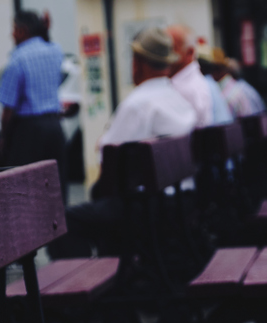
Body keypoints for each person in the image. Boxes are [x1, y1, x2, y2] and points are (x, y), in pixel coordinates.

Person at [50, 27, 196, 259]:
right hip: (181, 201)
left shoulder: (138, 103)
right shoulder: (177, 97)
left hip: (147, 208)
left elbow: (107, 158)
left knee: (65, 220)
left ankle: (85, 284)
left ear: (138, 63)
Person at [0, 10, 65, 181]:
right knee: (55, 183)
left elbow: (8, 110)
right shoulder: (56, 51)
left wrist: (4, 138)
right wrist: (45, 30)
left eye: (14, 29)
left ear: (22, 31)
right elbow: (49, 43)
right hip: (55, 127)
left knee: (28, 187)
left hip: (29, 132)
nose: (12, 34)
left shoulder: (17, 59)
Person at [166, 25, 215, 127]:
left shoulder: (186, 88)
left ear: (190, 52)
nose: (166, 55)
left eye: (172, 48)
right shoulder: (188, 82)